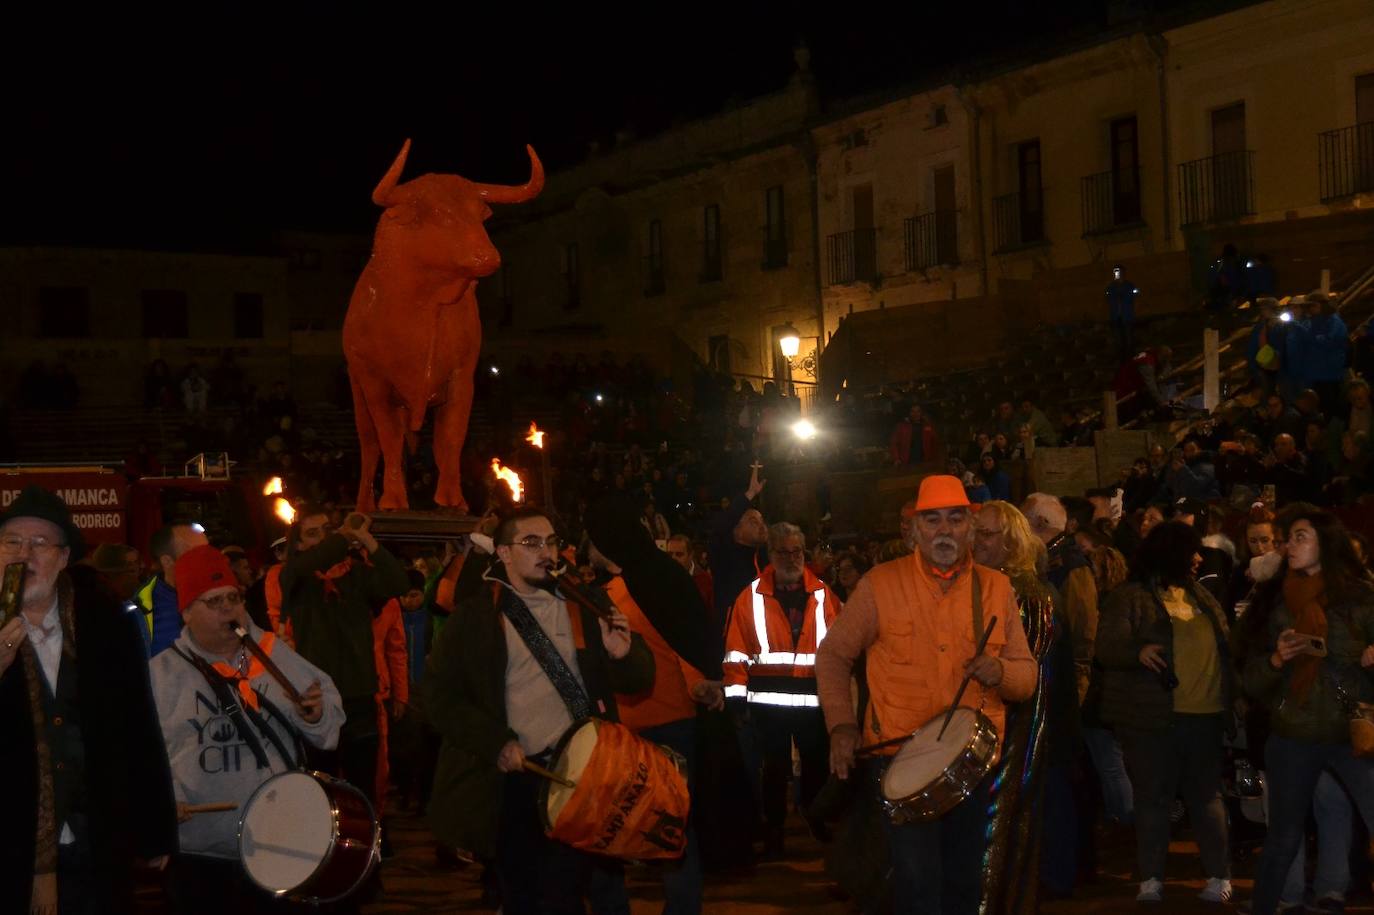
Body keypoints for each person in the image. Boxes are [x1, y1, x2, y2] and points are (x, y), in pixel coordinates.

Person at [817, 475, 1037, 914]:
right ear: (915, 530)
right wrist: (841, 725)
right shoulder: (880, 585)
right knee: (916, 887)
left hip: (971, 764)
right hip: (898, 761)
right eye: (932, 520)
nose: (944, 531)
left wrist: (1001, 671)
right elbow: (832, 656)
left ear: (970, 529)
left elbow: (1027, 677)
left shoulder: (995, 587)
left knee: (963, 884)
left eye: (956, 520)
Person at [423, 508, 652, 915]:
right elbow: (439, 698)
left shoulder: (585, 600)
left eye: (550, 541)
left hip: (583, 778)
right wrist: (495, 744)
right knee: (529, 896)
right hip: (517, 780)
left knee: (564, 894)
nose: (545, 551)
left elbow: (639, 678)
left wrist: (623, 654)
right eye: (531, 543)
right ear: (504, 553)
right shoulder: (476, 618)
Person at [0, 486, 177, 914]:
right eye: (12, 542)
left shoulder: (105, 623)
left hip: (95, 841)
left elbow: (138, 724)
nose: (25, 554)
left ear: (63, 559)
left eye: (40, 543)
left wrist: (155, 828)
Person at [150, 545, 344, 915]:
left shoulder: (274, 654)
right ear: (187, 612)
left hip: (281, 843)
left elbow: (327, 729)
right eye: (213, 601)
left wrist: (316, 715)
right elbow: (144, 755)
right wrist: (164, 804)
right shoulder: (161, 676)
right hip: (203, 853)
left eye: (233, 597)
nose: (228, 608)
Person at [584, 496, 724, 915]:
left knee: (612, 826)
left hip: (636, 725)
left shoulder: (612, 595)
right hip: (671, 719)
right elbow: (693, 642)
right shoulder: (666, 577)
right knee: (672, 827)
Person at [1243, 505, 1374, 915]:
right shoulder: (1272, 600)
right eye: (1288, 538)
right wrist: (1277, 661)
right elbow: (1247, 679)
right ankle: (1266, 906)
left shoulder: (1360, 598)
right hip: (1293, 732)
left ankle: (1332, 888)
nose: (1289, 545)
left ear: (1326, 543)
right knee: (1283, 836)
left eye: (1300, 536)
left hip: (1350, 730)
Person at [1094, 521, 1234, 904]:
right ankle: (1151, 878)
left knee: (1207, 798)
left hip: (1205, 716)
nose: (1198, 558)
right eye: (1191, 550)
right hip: (1149, 718)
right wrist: (1136, 651)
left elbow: (1226, 649)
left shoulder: (1203, 597)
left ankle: (1218, 876)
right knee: (1152, 799)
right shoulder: (1131, 597)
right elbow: (1106, 645)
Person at [971, 500, 1074, 909]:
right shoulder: (984, 583)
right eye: (975, 532)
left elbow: (1022, 667)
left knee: (1006, 818)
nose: (976, 541)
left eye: (987, 534)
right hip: (995, 719)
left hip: (1019, 723)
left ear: (1012, 542)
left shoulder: (1030, 594)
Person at [722, 521, 840, 856]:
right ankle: (775, 828)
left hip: (813, 700)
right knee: (774, 770)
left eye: (797, 551)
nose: (791, 558)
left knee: (816, 764)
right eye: (784, 552)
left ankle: (814, 819)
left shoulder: (822, 594)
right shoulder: (750, 598)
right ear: (770, 555)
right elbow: (735, 652)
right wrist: (736, 699)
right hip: (768, 705)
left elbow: (838, 647)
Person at [280, 508, 408, 813]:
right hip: (316, 700)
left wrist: (366, 539)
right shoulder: (295, 576)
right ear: (297, 545)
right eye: (314, 533)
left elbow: (398, 583)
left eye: (328, 529)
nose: (325, 538)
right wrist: (343, 535)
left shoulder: (355, 575)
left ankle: (364, 850)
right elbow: (316, 560)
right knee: (320, 785)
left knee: (362, 787)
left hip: (358, 695)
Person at [137, 521, 210, 656]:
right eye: (195, 554)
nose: (209, 560)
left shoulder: (227, 597)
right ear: (167, 561)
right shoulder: (142, 610)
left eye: (208, 552)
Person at [1106, 263, 1138, 356]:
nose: (1116, 274)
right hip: (1116, 317)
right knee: (1119, 340)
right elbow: (1109, 300)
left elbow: (1134, 298)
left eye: (1118, 271)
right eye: (1115, 272)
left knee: (1128, 339)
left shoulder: (1129, 286)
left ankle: (1129, 356)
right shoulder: (1111, 287)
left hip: (1127, 316)